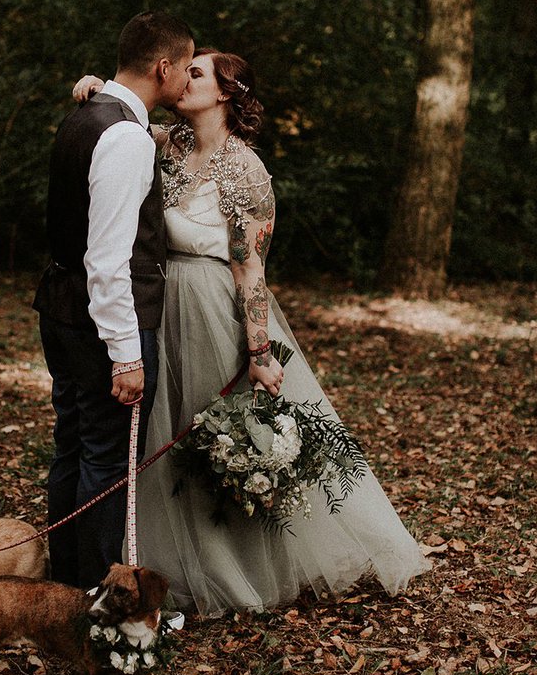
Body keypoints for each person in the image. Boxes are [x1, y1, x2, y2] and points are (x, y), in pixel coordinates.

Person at [72, 49, 430, 616]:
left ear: (224, 92)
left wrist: (259, 350)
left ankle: (230, 568)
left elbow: (251, 271)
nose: (181, 77)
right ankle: (159, 561)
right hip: (159, 304)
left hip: (211, 310)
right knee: (161, 435)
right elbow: (125, 121)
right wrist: (102, 88)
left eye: (196, 72)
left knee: (206, 434)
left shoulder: (247, 171)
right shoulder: (170, 142)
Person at [33, 12, 194, 590]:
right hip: (102, 324)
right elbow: (107, 261)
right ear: (163, 68)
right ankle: (95, 599)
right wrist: (126, 354)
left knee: (74, 447)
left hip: (61, 309)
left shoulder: (88, 113)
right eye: (186, 68)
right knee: (104, 462)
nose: (187, 79)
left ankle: (64, 587)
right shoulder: (125, 138)